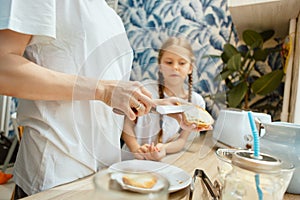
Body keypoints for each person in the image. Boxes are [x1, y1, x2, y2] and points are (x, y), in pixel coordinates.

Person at [0, 1, 206, 198]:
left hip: (105, 176)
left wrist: (156, 106)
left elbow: (108, 92)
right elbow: (3, 68)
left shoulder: (110, 15)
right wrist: (103, 90)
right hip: (56, 175)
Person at [121, 37, 211, 161]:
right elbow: (127, 124)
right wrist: (135, 148)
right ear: (160, 66)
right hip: (129, 158)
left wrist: (163, 148)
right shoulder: (145, 89)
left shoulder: (196, 102)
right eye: (169, 62)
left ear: (190, 68)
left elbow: (181, 140)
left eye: (182, 63)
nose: (175, 67)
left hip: (161, 161)